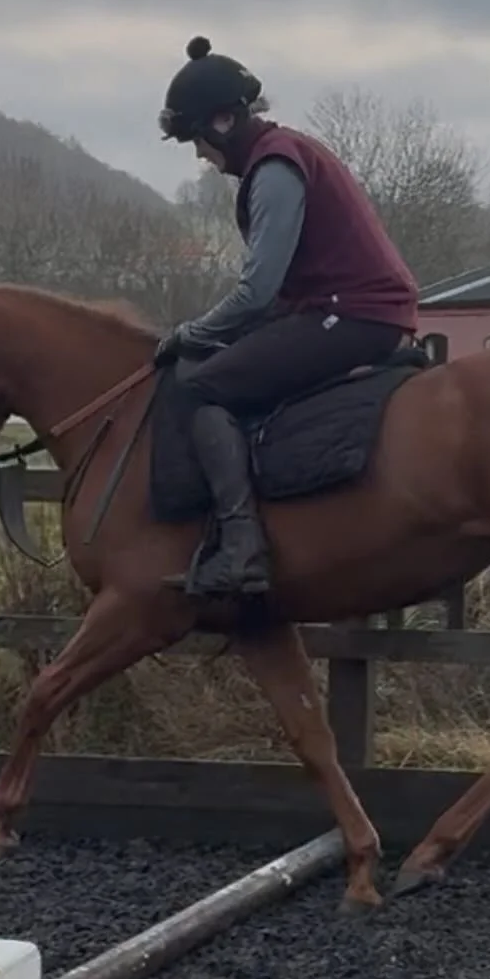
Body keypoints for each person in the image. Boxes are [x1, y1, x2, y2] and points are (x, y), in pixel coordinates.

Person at [155, 35, 420, 600]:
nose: (200, 155)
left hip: (349, 315)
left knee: (204, 389)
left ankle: (242, 550)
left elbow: (256, 294)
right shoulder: (284, 155)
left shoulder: (275, 167)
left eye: (197, 139)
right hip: (346, 310)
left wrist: (188, 335)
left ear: (224, 122)